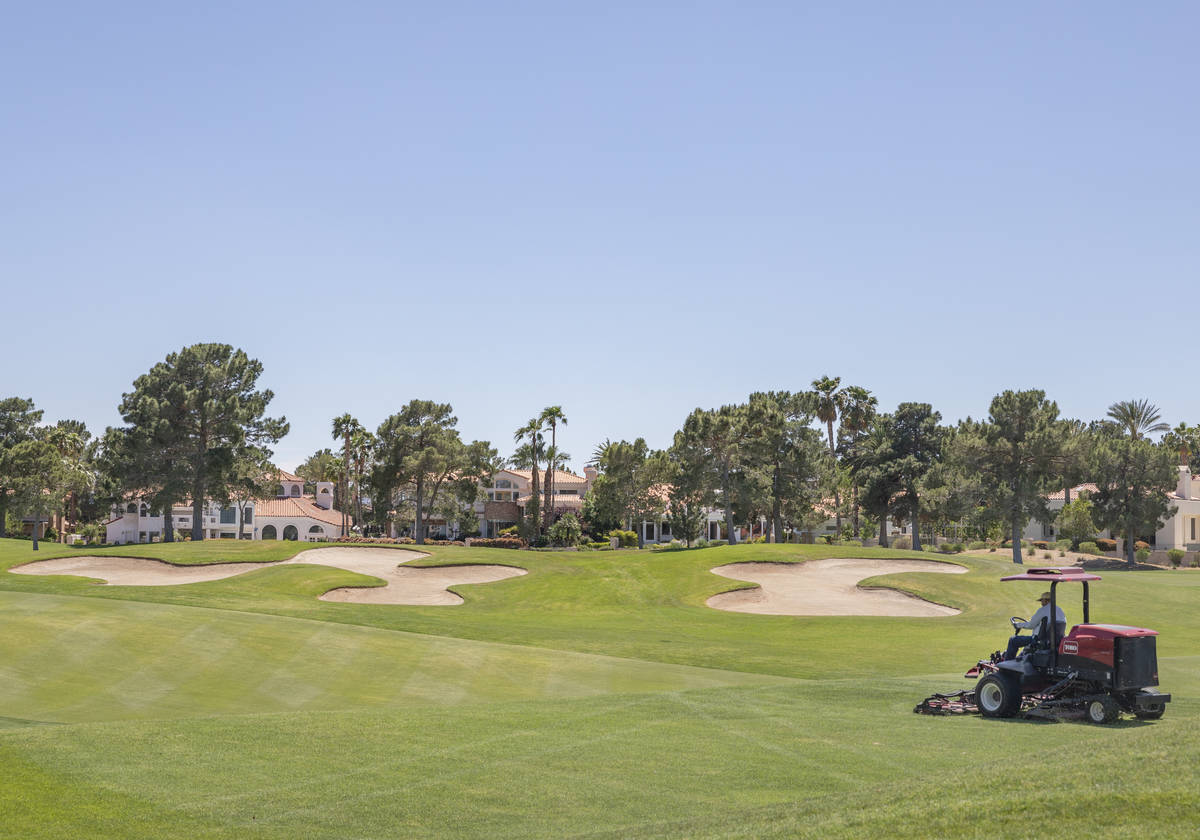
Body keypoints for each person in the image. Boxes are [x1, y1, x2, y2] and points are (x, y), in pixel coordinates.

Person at [1005, 591, 1066, 660]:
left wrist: (1018, 625)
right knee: (1027, 645)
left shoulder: (1043, 610)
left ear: (1046, 601)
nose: (1041, 603)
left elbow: (1031, 625)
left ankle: (1006, 665)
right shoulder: (1060, 611)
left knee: (1013, 640)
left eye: (1042, 601)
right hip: (1054, 642)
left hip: (1040, 641)